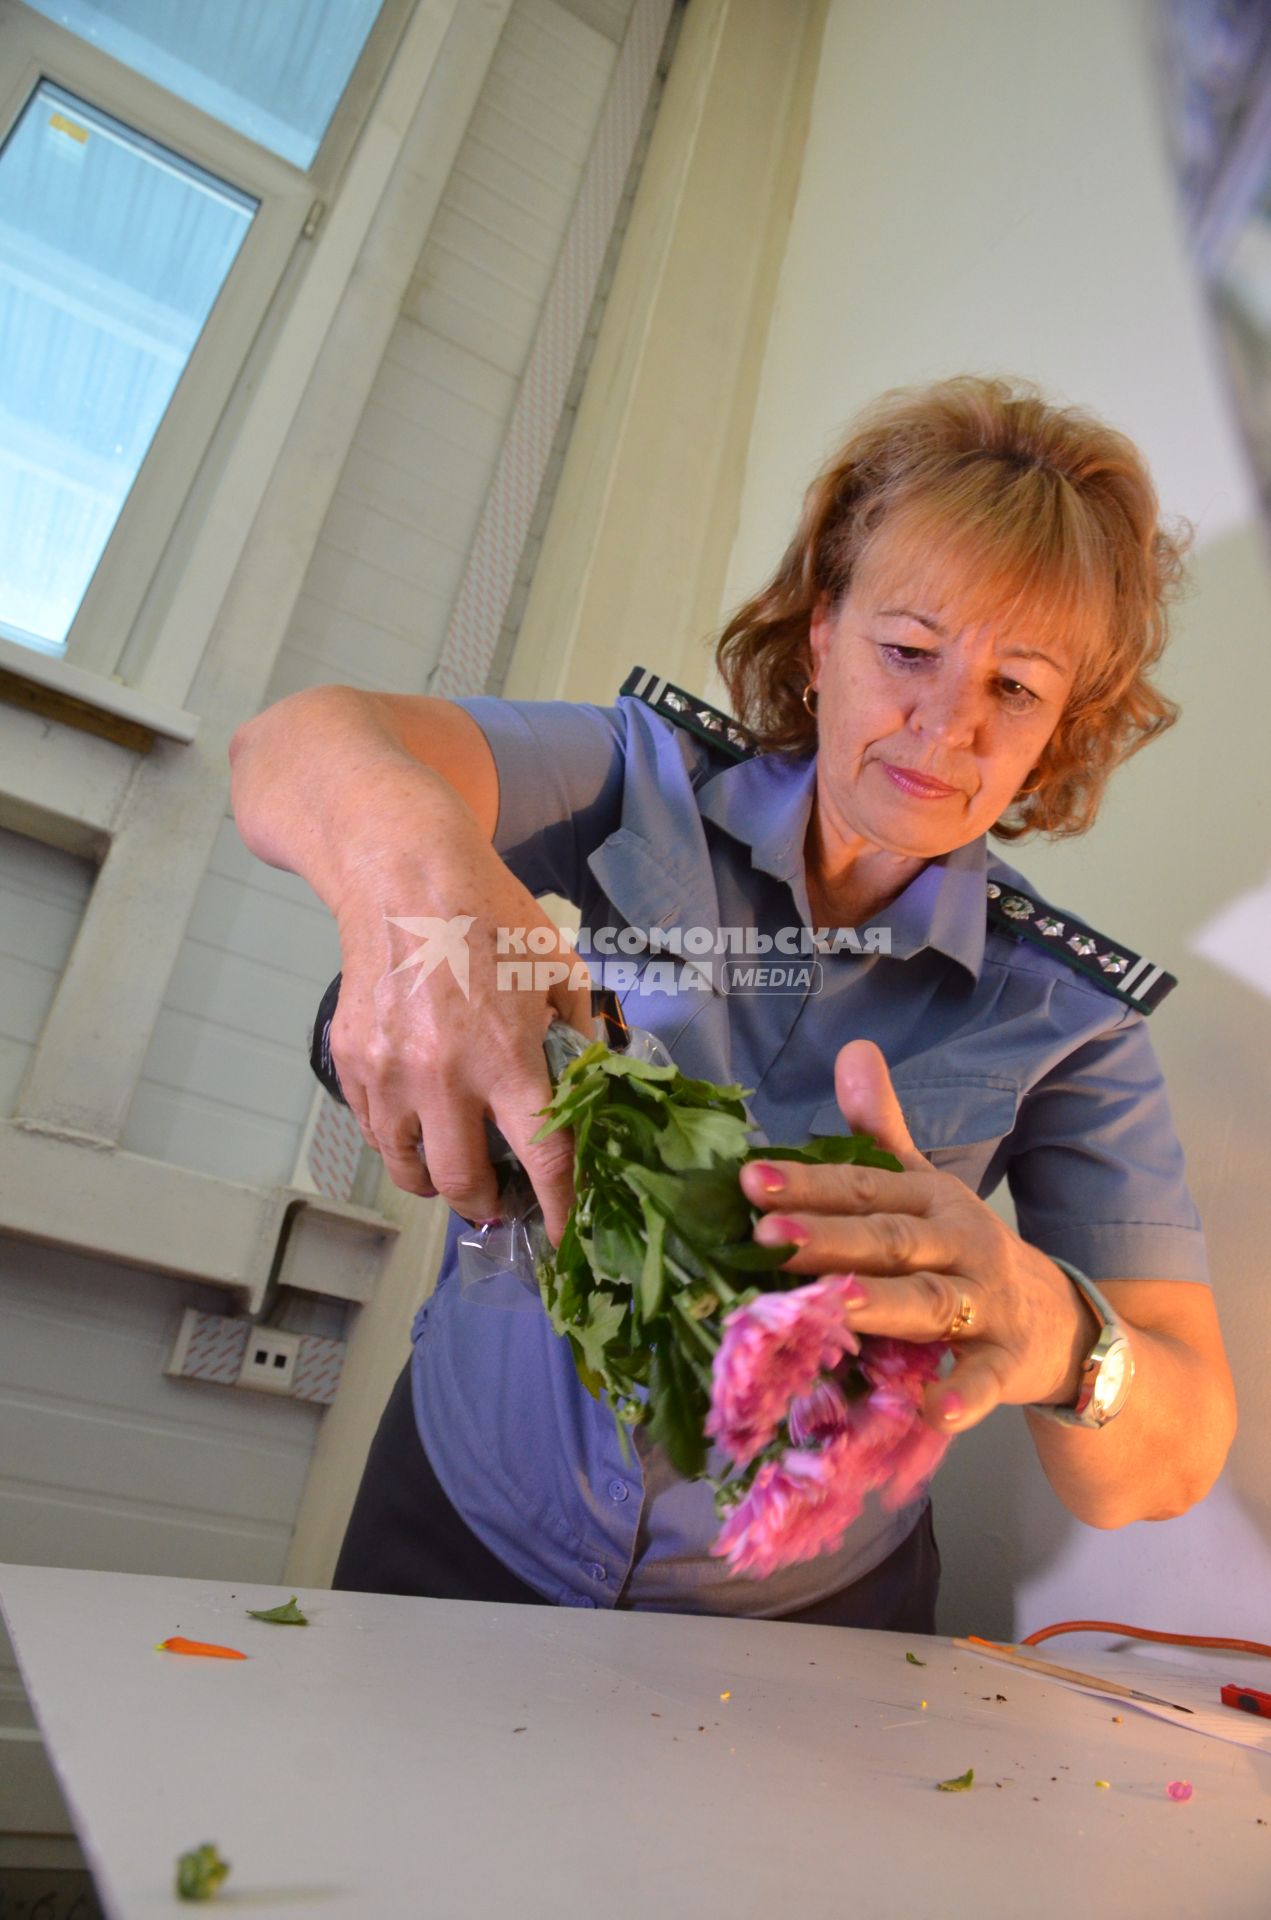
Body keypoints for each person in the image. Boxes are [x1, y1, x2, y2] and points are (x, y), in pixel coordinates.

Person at [228, 373, 1237, 1631]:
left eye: (1014, 689)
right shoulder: (635, 779)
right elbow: (288, 747)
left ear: (1060, 728)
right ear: (820, 634)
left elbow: (1171, 1456)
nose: (945, 727)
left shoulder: (1071, 1014)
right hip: (456, 1522)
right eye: (908, 651)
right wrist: (418, 896)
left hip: (802, 1626)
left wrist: (1046, 1326)